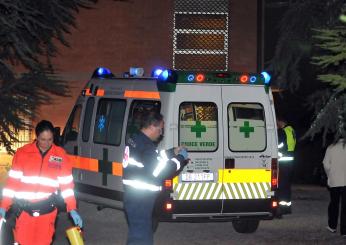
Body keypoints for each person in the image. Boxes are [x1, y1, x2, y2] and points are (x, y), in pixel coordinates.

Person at [0, 120, 83, 245]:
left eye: (50, 139)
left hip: (47, 211)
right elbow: (12, 184)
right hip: (24, 211)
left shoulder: (60, 156)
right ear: (36, 137)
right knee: (22, 242)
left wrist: (72, 208)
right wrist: (4, 206)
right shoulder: (23, 154)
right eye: (43, 139)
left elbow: (67, 186)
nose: (46, 143)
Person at [122, 111, 189, 245]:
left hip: (134, 196)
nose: (161, 133)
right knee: (142, 237)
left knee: (138, 233)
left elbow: (153, 159)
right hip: (141, 199)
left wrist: (173, 152)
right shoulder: (146, 146)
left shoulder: (136, 139)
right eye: (160, 129)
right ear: (152, 126)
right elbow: (160, 171)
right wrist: (180, 159)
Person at [323, 138, 346, 236]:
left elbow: (326, 164)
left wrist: (329, 176)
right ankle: (344, 230)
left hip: (334, 180)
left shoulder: (331, 147)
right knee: (345, 206)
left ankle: (332, 226)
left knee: (334, 203)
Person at [276, 116, 296, 216]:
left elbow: (279, 146)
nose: (276, 124)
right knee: (287, 186)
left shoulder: (282, 131)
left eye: (277, 122)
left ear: (281, 121)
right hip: (290, 160)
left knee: (281, 186)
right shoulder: (291, 129)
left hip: (283, 161)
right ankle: (287, 207)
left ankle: (281, 209)